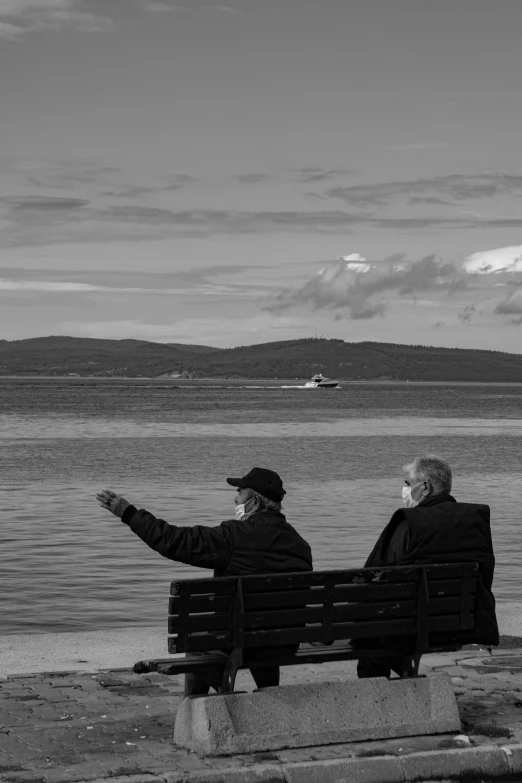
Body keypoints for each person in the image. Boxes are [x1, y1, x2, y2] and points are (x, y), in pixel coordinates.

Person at [96, 466, 312, 695]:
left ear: (255, 503)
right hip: (282, 643)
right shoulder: (300, 546)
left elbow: (174, 541)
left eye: (240, 492)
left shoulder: (233, 537)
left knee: (199, 645)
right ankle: (270, 696)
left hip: (238, 642)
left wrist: (128, 513)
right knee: (263, 632)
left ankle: (196, 706)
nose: (235, 498)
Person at [357, 454, 499, 679]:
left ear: (424, 487)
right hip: (459, 625)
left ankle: (377, 693)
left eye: (407, 483)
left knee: (375, 633)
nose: (404, 489)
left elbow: (372, 574)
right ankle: (404, 671)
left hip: (409, 626)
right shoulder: (474, 521)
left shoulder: (409, 523)